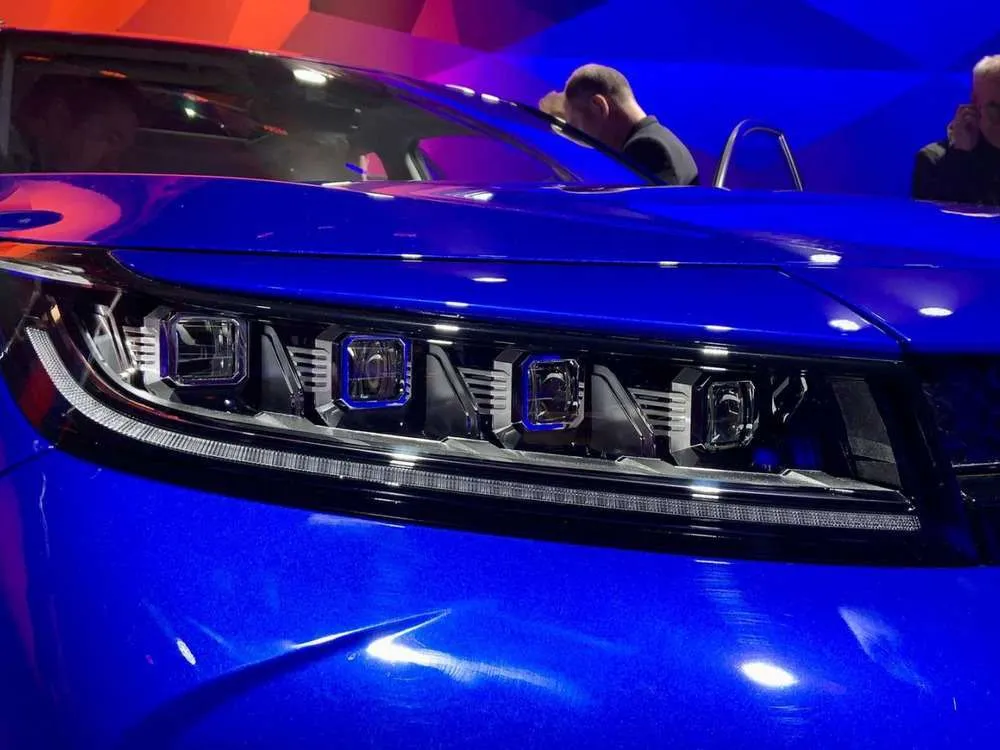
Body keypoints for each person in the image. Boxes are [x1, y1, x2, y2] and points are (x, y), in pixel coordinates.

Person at [554, 64, 698, 186]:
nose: (580, 140)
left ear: (599, 106)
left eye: (576, 124)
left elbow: (639, 210)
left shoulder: (645, 148)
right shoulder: (660, 139)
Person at [912, 55, 1000, 206]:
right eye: (995, 107)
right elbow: (938, 218)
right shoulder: (934, 160)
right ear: (975, 103)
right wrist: (961, 157)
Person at [13, 74, 139, 172]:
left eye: (121, 152)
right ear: (59, 116)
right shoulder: (8, 168)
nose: (113, 167)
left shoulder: (26, 164)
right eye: (111, 139)